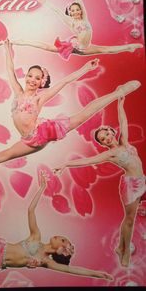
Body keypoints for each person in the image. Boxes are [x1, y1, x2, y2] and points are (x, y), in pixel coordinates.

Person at [0, 39, 140, 175]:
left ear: (41, 83)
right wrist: (7, 50)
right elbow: (10, 71)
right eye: (30, 75)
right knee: (1, 156)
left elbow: (63, 82)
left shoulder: (40, 98)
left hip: (42, 133)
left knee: (83, 115)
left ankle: (118, 93)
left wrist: (85, 69)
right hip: (28, 139)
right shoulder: (18, 92)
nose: (32, 79)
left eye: (37, 78)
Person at [53, 97, 146, 267]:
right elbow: (88, 161)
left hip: (141, 181)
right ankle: (124, 252)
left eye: (107, 133)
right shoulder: (110, 154)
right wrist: (66, 164)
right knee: (130, 219)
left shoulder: (125, 143)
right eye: (103, 139)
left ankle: (119, 247)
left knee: (132, 217)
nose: (107, 138)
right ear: (103, 144)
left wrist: (120, 103)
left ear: (112, 131)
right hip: (131, 185)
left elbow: (123, 121)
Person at [12, 0, 142, 60]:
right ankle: (24, 41)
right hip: (76, 47)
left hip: (85, 47)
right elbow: (57, 11)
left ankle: (129, 47)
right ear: (70, 13)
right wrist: (44, 1)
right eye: (72, 10)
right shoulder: (71, 21)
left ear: (80, 10)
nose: (75, 11)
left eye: (76, 9)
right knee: (48, 47)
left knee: (105, 49)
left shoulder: (84, 17)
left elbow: (80, 1)